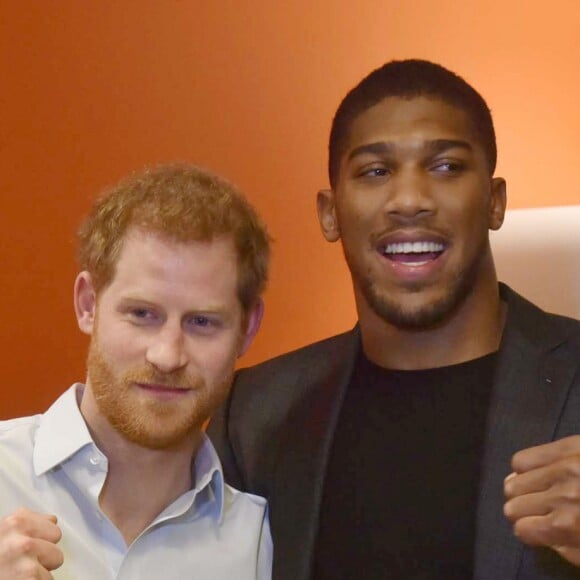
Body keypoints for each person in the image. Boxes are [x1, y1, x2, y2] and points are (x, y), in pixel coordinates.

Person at [208, 60, 580, 579]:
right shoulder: (254, 414)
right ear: (330, 213)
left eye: (446, 166)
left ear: (495, 202)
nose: (409, 200)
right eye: (376, 172)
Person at [0, 164, 272, 579]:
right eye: (142, 314)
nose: (167, 355)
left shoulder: (260, 541)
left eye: (202, 322)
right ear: (88, 304)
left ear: (248, 329)